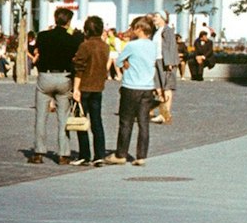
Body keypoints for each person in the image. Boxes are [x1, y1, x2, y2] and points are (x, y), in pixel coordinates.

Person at [107, 16, 162, 166]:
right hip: (147, 87)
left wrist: (126, 62)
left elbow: (118, 61)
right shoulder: (153, 46)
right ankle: (141, 155)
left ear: (139, 29)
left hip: (131, 86)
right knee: (144, 122)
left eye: (133, 28)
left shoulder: (132, 46)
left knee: (126, 122)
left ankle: (121, 154)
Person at [30, 7, 81, 165]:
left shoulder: (43, 36)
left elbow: (37, 51)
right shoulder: (71, 39)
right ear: (69, 21)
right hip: (64, 77)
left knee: (40, 117)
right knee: (63, 117)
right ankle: (63, 154)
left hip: (45, 76)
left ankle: (38, 152)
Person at [69, 14, 111, 165]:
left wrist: (76, 89)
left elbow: (79, 69)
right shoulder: (105, 46)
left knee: (81, 121)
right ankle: (99, 154)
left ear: (86, 31)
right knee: (97, 122)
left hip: (84, 86)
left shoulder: (84, 46)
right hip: (97, 87)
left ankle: (84, 155)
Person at [151, 13, 179, 125]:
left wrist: (170, 62)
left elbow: (171, 46)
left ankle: (165, 114)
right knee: (158, 87)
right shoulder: (157, 31)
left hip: (165, 61)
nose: (154, 18)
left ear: (163, 18)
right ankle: (163, 113)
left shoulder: (168, 31)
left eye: (156, 16)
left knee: (167, 87)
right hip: (156, 60)